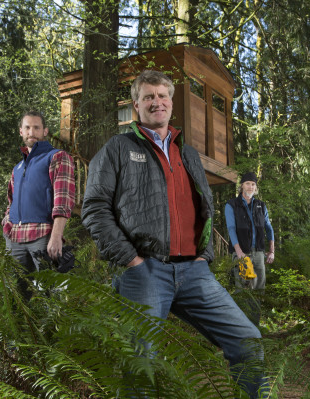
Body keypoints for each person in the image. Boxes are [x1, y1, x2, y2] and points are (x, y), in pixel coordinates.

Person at [81, 70, 267, 398]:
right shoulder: (117, 149)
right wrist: (132, 260)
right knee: (141, 366)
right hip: (145, 272)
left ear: (170, 103)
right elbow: (95, 209)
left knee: (248, 343)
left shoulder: (189, 154)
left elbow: (206, 209)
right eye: (149, 96)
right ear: (136, 104)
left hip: (195, 271)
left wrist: (204, 254)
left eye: (163, 96)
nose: (157, 102)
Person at [2, 111, 75, 300]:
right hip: (14, 239)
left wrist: (56, 236)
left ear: (45, 131)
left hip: (42, 236)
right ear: (21, 131)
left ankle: (50, 331)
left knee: (49, 297)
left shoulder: (57, 157)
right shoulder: (17, 168)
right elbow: (11, 200)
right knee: (17, 298)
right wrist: (7, 223)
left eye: (36, 127)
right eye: (27, 127)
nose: (31, 131)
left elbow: (63, 199)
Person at [225, 171, 275, 291]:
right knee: (241, 289)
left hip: (258, 253)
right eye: (247, 183)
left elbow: (268, 227)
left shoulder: (261, 206)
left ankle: (257, 310)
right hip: (241, 253)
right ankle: (241, 310)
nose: (250, 187)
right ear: (242, 185)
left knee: (259, 289)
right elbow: (231, 229)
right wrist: (239, 252)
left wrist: (272, 251)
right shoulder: (231, 205)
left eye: (253, 184)